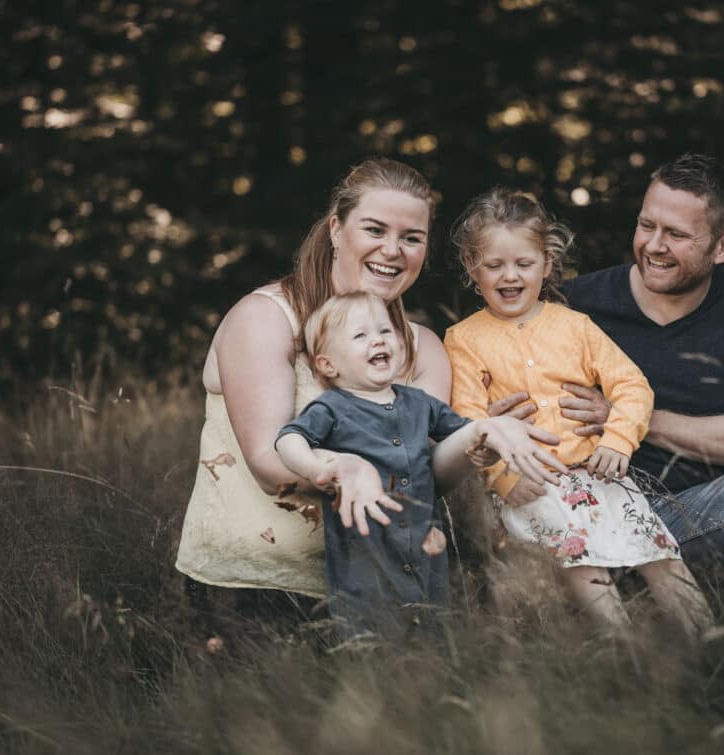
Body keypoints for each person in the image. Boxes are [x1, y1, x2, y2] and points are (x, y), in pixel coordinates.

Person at [177, 158, 560, 617]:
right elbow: (269, 465)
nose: (392, 250)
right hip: (255, 585)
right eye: (375, 230)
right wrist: (342, 468)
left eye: (411, 238)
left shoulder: (423, 349)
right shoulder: (268, 318)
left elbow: (425, 475)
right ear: (337, 230)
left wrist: (478, 438)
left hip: (386, 589)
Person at [499, 154, 724, 577]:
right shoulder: (574, 303)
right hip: (592, 507)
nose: (654, 245)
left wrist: (626, 417)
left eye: (677, 234)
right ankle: (632, 597)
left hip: (699, 506)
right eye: (647, 225)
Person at [443, 188, 711, 635]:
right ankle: (628, 656)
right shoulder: (464, 339)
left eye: (524, 264)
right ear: (473, 268)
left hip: (602, 475)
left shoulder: (575, 326)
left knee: (661, 556)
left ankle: (709, 643)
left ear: (546, 265)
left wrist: (618, 440)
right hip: (534, 482)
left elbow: (631, 385)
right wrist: (504, 478)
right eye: (494, 265)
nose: (510, 276)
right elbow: (470, 421)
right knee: (586, 569)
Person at [275, 291, 555, 638]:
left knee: (432, 636)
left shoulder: (419, 403)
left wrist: (493, 438)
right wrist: (321, 468)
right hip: (365, 561)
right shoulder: (331, 408)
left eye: (385, 331)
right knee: (373, 641)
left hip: (425, 552)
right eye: (360, 336)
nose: (377, 339)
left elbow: (467, 433)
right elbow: (288, 439)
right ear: (328, 364)